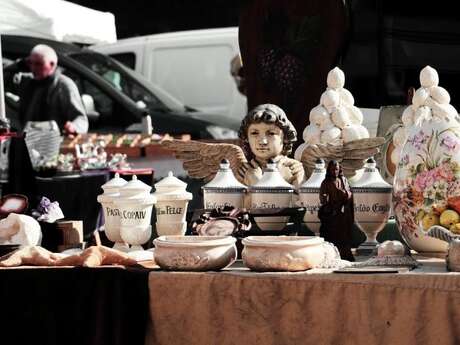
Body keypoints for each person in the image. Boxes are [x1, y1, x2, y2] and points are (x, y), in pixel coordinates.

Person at [16, 44, 88, 135]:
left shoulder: (63, 85)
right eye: (31, 63)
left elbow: (81, 119)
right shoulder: (29, 83)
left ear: (52, 64)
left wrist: (73, 127)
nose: (33, 68)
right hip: (28, 142)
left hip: (52, 144)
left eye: (38, 64)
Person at [237, 103, 304, 186]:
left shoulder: (293, 168)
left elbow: (300, 198)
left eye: (271, 133)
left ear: (285, 137)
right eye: (254, 133)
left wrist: (257, 184)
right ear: (246, 137)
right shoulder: (245, 170)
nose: (262, 142)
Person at [319, 160, 354, 261]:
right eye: (332, 169)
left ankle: (345, 254)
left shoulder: (343, 180)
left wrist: (344, 193)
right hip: (331, 211)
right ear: (329, 170)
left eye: (336, 169)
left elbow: (349, 193)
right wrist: (326, 200)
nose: (334, 172)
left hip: (342, 211)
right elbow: (322, 197)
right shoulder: (326, 182)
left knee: (343, 233)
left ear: (339, 170)